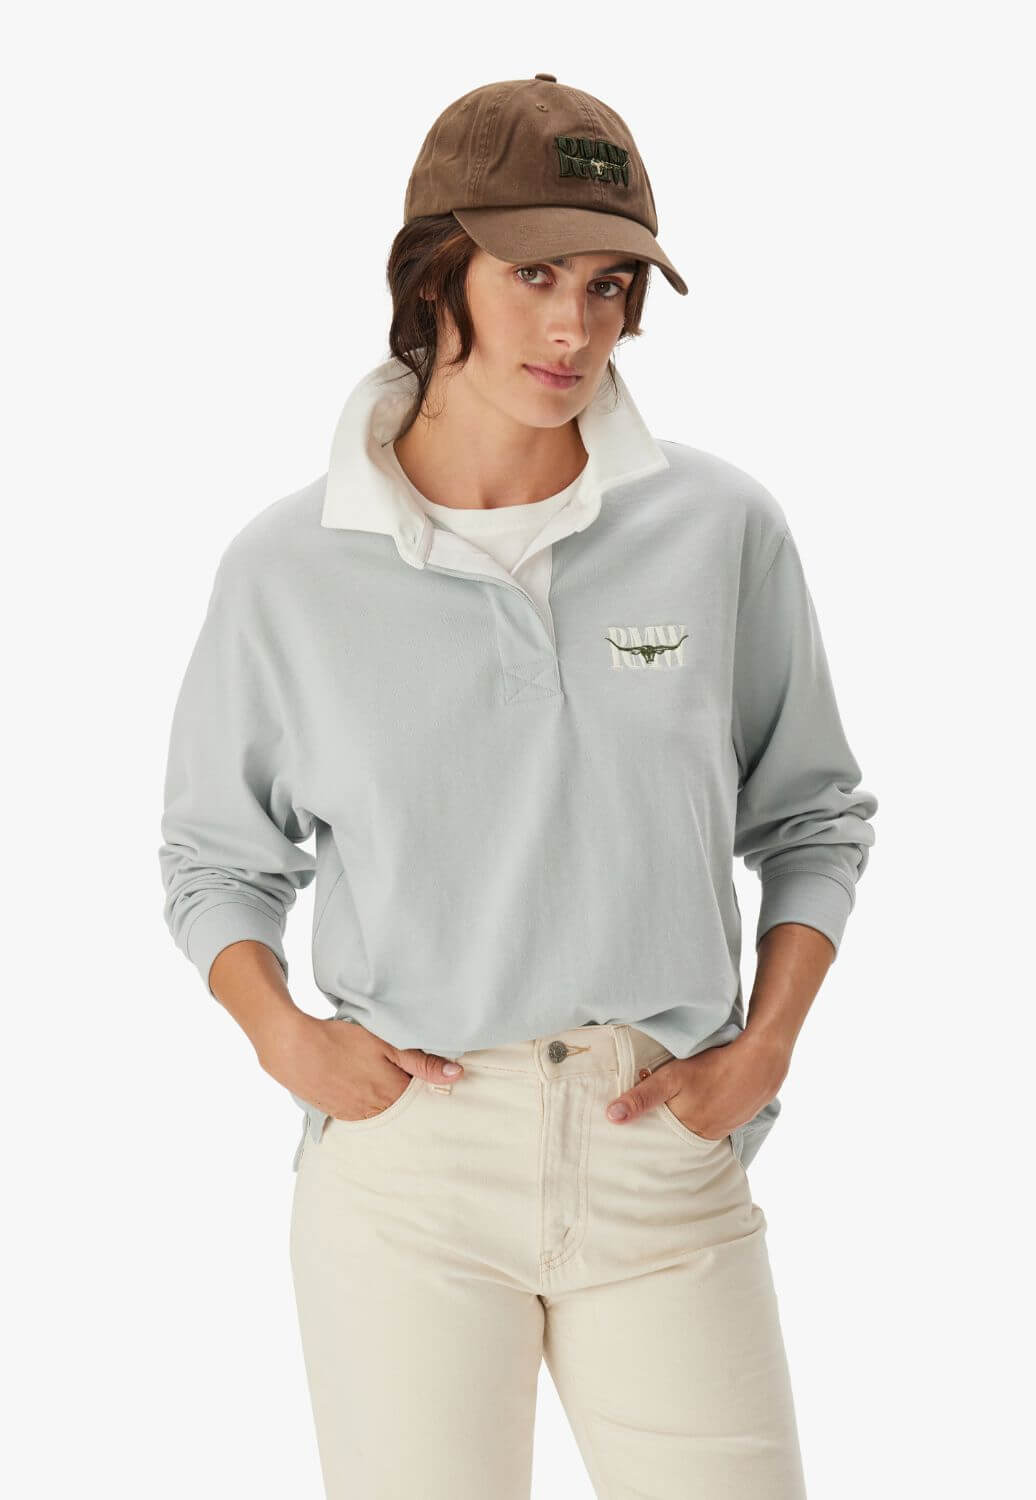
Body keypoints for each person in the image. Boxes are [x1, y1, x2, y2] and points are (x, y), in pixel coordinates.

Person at [158, 73, 877, 1500]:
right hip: (409, 1169)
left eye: (611, 285)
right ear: (439, 275)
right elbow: (214, 860)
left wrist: (770, 1046)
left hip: (659, 1144)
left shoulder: (716, 527)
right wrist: (282, 1037)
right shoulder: (289, 568)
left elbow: (813, 817)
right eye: (534, 274)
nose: (576, 328)